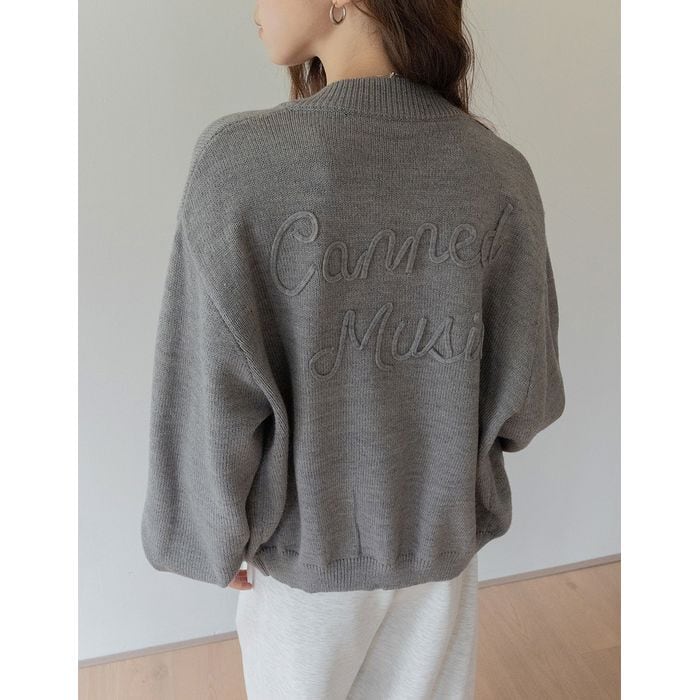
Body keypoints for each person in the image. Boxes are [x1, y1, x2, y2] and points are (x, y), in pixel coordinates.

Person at [140, 1, 566, 698]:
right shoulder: (498, 170)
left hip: (306, 566)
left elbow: (207, 388)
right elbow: (529, 398)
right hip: (441, 554)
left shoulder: (239, 163)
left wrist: (208, 532)